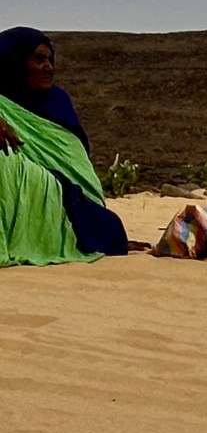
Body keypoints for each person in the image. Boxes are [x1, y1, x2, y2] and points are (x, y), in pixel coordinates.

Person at [0, 27, 129, 267]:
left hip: (67, 195)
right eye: (39, 59)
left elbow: (75, 172)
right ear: (14, 62)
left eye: (50, 60)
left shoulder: (57, 103)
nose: (49, 67)